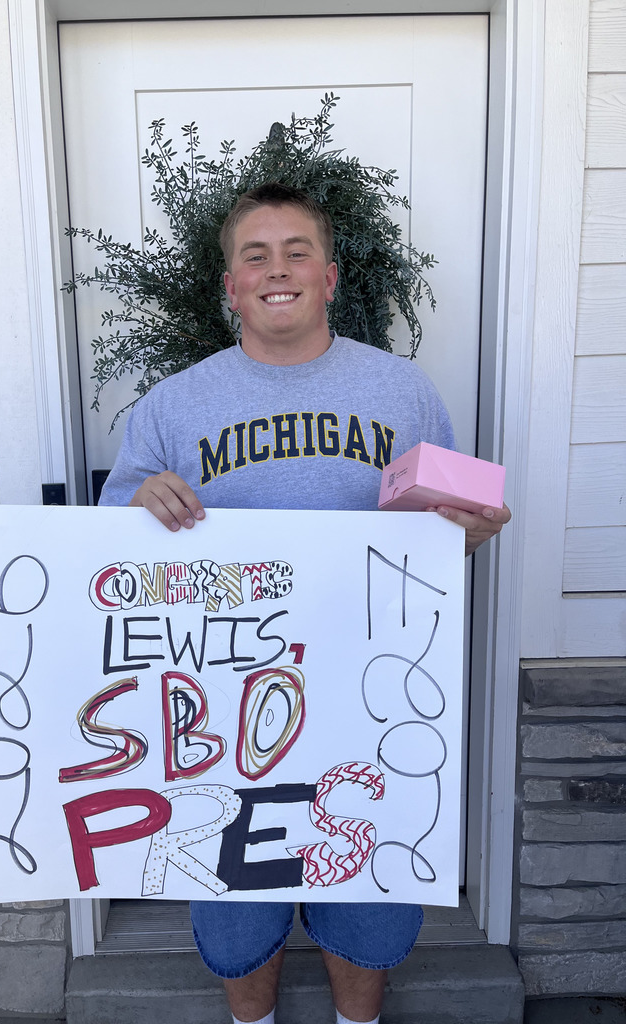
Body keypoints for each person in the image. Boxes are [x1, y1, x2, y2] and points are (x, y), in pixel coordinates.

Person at [99, 183, 511, 1024]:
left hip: (369, 705)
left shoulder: (403, 392)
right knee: (235, 906)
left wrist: (465, 536)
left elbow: (438, 538)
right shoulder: (174, 404)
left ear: (329, 276)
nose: (275, 269)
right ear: (230, 286)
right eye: (255, 255)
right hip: (219, 715)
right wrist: (139, 512)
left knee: (365, 901)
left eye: (295, 253)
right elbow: (110, 550)